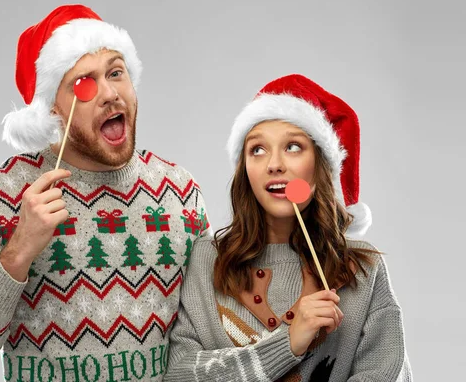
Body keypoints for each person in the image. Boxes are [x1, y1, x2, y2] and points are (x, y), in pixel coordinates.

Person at [0, 4, 211, 382]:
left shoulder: (181, 193)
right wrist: (17, 253)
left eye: (116, 73)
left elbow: (208, 340)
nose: (110, 93)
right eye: (84, 84)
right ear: (52, 109)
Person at [164, 74, 412, 381]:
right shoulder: (207, 259)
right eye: (257, 149)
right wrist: (288, 343)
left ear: (320, 166)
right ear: (246, 169)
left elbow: (386, 373)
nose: (274, 164)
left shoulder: (365, 268)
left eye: (293, 147)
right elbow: (180, 373)